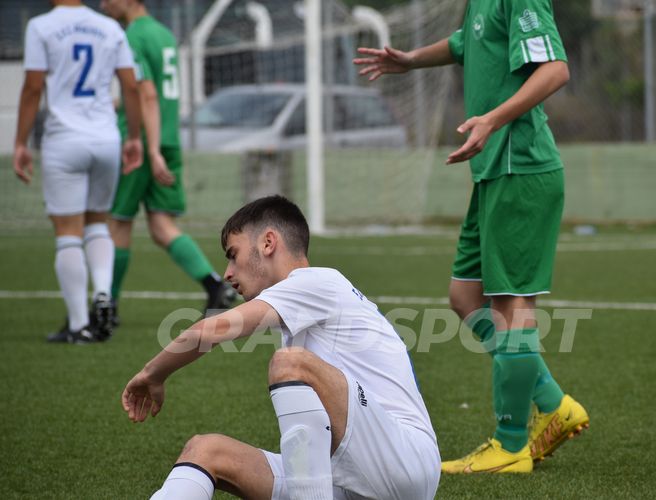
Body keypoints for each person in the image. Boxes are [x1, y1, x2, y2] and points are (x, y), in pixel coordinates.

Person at [354, 0, 588, 473]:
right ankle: (552, 403)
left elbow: (555, 70)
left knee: (511, 306)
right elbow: (467, 42)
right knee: (465, 296)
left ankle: (510, 445)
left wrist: (492, 118)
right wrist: (411, 60)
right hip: (492, 174)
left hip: (520, 168)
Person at [121, 195, 440, 499]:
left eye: (233, 254)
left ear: (268, 243)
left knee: (290, 363)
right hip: (351, 479)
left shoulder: (318, 281)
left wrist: (152, 375)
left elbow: (212, 330)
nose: (227, 272)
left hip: (404, 463)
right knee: (205, 450)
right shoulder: (304, 302)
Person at [14, 0, 143, 343]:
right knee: (97, 222)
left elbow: (32, 87)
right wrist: (134, 137)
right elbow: (131, 86)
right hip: (106, 139)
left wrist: (21, 142)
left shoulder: (40, 26)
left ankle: (78, 324)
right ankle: (102, 294)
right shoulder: (109, 27)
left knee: (67, 231)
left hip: (64, 140)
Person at [100, 0, 235, 323]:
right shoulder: (164, 34)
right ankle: (214, 285)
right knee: (162, 227)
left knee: (118, 223)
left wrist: (150, 148)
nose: (103, 3)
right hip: (169, 136)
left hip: (141, 142)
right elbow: (156, 91)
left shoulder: (132, 36)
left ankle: (108, 307)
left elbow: (146, 94)